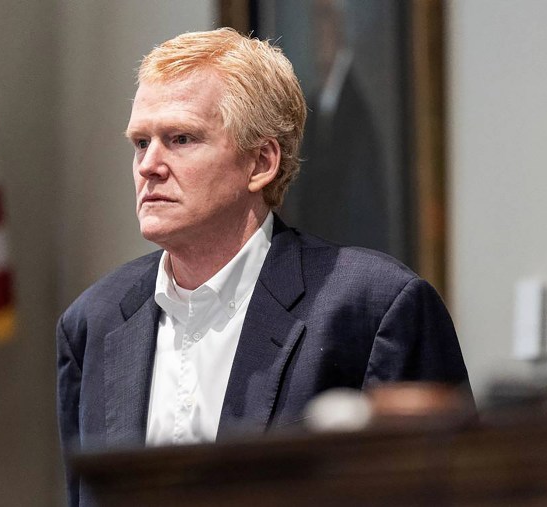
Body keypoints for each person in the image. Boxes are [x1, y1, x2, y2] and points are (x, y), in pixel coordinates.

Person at [56, 27, 472, 506]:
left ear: (261, 163)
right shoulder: (92, 322)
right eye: (140, 143)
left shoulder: (373, 310)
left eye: (181, 138)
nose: (149, 164)